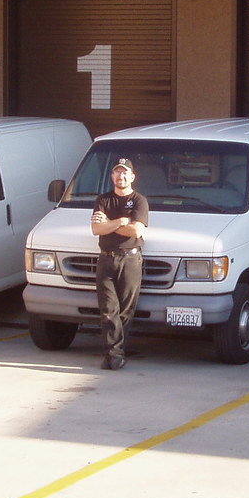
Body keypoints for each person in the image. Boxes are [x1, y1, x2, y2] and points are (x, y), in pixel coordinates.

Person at [91, 158, 149, 370]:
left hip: (130, 259)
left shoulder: (140, 201)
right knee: (108, 309)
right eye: (117, 172)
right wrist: (121, 222)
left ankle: (117, 352)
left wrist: (108, 224)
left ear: (132, 177)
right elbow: (96, 230)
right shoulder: (103, 199)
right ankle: (113, 355)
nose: (120, 176)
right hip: (106, 259)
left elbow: (136, 231)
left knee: (125, 311)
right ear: (111, 176)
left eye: (124, 173)